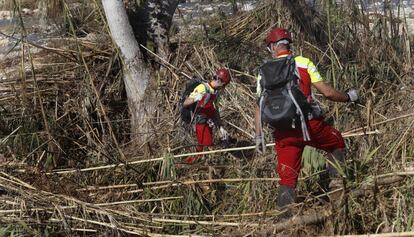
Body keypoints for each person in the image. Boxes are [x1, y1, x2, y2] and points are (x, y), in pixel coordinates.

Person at [254, 28, 359, 209]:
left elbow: (258, 105)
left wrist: (258, 135)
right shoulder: (303, 62)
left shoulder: (263, 71)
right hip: (309, 125)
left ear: (272, 47)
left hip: (283, 132)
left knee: (287, 179)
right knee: (336, 143)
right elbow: (328, 93)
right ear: (288, 44)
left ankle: (284, 221)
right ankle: (338, 194)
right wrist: (349, 97)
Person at [182, 68, 231, 164]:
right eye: (224, 85)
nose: (223, 88)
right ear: (219, 81)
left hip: (208, 122)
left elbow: (215, 110)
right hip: (199, 122)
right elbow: (185, 103)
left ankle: (193, 165)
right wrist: (195, 98)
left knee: (203, 148)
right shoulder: (202, 88)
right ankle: (189, 165)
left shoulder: (216, 92)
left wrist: (220, 127)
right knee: (206, 147)